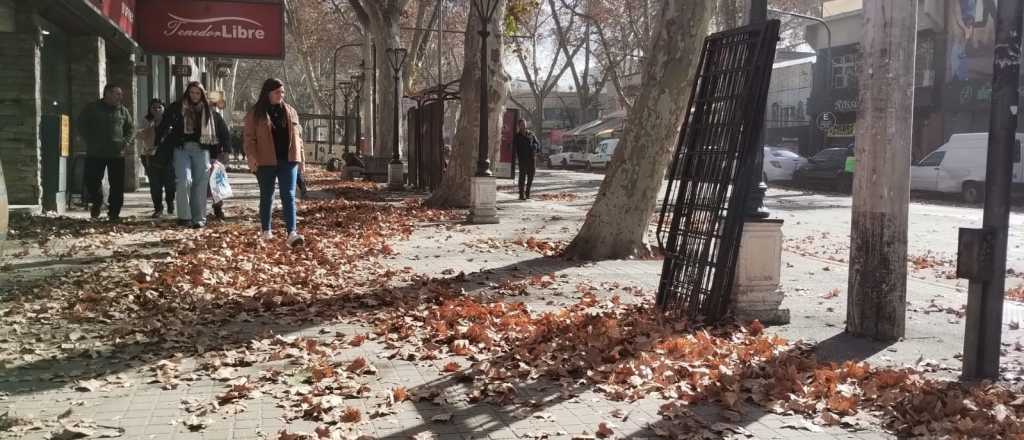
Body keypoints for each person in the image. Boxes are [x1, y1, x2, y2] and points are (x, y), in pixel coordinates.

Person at [156, 81, 230, 229]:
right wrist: (159, 141)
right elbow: (164, 125)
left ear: (202, 94)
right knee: (184, 180)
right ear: (187, 93)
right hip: (181, 148)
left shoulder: (209, 110)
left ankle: (199, 219)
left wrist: (225, 151)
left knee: (200, 184)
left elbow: (223, 130)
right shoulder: (177, 108)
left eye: (198, 93)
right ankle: (184, 217)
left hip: (202, 150)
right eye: (192, 92)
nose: (194, 96)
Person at [244, 78, 306, 246]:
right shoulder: (255, 113)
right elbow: (249, 139)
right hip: (265, 161)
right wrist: (251, 157)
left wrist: (301, 159)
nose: (281, 95)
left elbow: (298, 138)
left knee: (289, 195)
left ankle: (292, 233)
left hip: (289, 160)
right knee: (267, 196)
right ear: (268, 93)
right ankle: (266, 231)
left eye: (282, 92)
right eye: (277, 92)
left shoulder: (291, 111)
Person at [78, 83, 134, 222]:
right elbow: (81, 124)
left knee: (117, 184)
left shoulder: (123, 111)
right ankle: (97, 201)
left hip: (116, 154)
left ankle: (114, 213)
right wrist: (89, 139)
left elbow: (131, 129)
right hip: (95, 153)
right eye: (117, 93)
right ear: (107, 93)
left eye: (120, 94)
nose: (120, 97)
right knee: (91, 180)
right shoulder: (92, 108)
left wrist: (125, 142)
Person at [137, 99, 175, 218]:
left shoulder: (169, 121)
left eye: (160, 107)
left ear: (164, 108)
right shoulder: (146, 121)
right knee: (155, 185)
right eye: (154, 107)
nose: (157, 110)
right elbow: (139, 135)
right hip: (150, 157)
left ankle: (170, 202)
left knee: (169, 184)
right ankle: (158, 208)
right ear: (150, 109)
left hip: (168, 157)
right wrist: (148, 128)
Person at [513, 119, 540, 200]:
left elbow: (538, 144)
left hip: (532, 159)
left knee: (531, 176)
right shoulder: (517, 136)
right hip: (522, 160)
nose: (523, 126)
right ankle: (521, 194)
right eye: (521, 125)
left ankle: (527, 192)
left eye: (524, 124)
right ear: (519, 126)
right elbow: (514, 148)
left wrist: (536, 148)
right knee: (522, 177)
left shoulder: (531, 134)